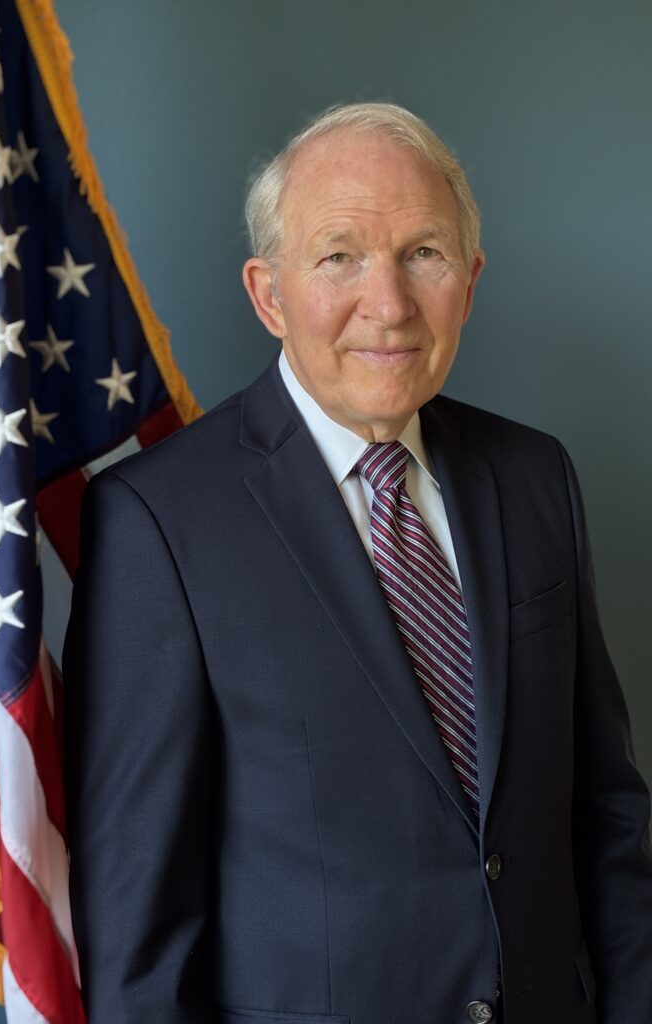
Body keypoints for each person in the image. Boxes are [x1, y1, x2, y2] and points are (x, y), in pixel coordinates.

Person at [63, 103, 652, 1024]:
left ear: (470, 281)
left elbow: (607, 819)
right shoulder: (157, 521)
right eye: (339, 256)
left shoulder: (537, 477)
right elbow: (141, 932)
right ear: (269, 294)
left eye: (425, 253)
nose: (390, 304)